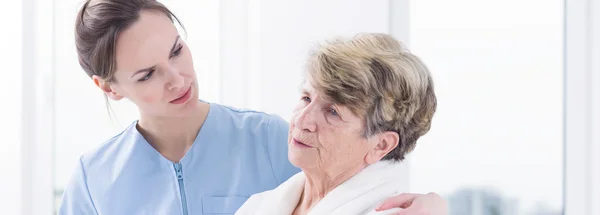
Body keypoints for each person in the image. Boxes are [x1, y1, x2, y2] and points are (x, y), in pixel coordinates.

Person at [59, 0, 448, 214]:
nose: (178, 79)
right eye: (147, 74)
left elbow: (366, 179)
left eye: (177, 51)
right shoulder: (94, 178)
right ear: (109, 88)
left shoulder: (277, 140)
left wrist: (435, 207)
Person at [234, 33, 439, 215]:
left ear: (380, 145)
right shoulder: (258, 206)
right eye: (306, 98)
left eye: (333, 112)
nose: (302, 121)